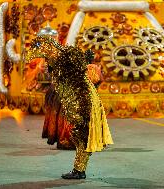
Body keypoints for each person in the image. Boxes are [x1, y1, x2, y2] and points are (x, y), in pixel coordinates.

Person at [27, 36, 113, 179]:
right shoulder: (61, 65)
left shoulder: (68, 61)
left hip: (83, 101)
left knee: (81, 135)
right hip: (77, 101)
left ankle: (79, 171)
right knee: (78, 135)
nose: (47, 63)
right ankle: (79, 170)